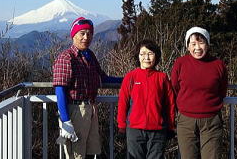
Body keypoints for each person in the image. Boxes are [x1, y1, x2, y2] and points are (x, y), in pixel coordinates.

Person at [53, 17, 122, 159]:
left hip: (91, 108)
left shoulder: (89, 55)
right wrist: (66, 120)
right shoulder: (66, 57)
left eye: (89, 34)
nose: (86, 37)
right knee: (76, 154)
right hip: (75, 110)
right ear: (74, 35)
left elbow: (102, 78)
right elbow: (60, 89)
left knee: (91, 151)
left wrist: (127, 79)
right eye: (82, 33)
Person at [171, 27, 228, 159]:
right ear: (187, 46)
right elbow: (175, 88)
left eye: (201, 42)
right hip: (186, 121)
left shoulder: (218, 65)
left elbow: (222, 91)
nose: (197, 47)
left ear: (208, 44)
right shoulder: (180, 63)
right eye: (193, 44)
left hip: (212, 121)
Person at [117, 39, 176, 159]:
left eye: (150, 53)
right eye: (142, 54)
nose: (146, 58)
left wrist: (171, 126)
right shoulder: (131, 77)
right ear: (137, 56)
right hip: (134, 129)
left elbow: (170, 104)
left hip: (158, 130)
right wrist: (121, 126)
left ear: (156, 56)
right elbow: (123, 103)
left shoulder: (162, 78)